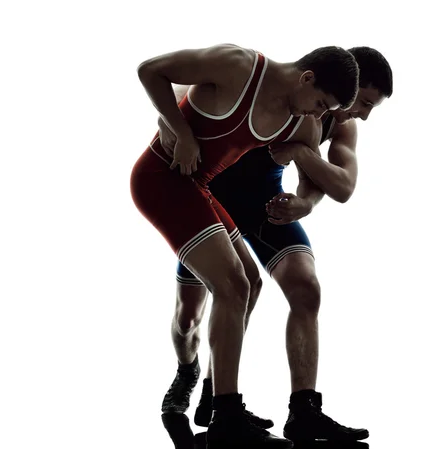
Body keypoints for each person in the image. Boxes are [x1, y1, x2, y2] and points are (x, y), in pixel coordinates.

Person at [159, 47, 393, 443]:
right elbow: (184, 89)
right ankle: (189, 370)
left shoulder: (339, 124)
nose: (363, 115)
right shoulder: (284, 90)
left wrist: (305, 199)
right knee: (188, 317)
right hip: (211, 203)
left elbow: (341, 186)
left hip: (265, 208)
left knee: (306, 288)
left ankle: (303, 410)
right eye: (363, 103)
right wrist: (179, 136)